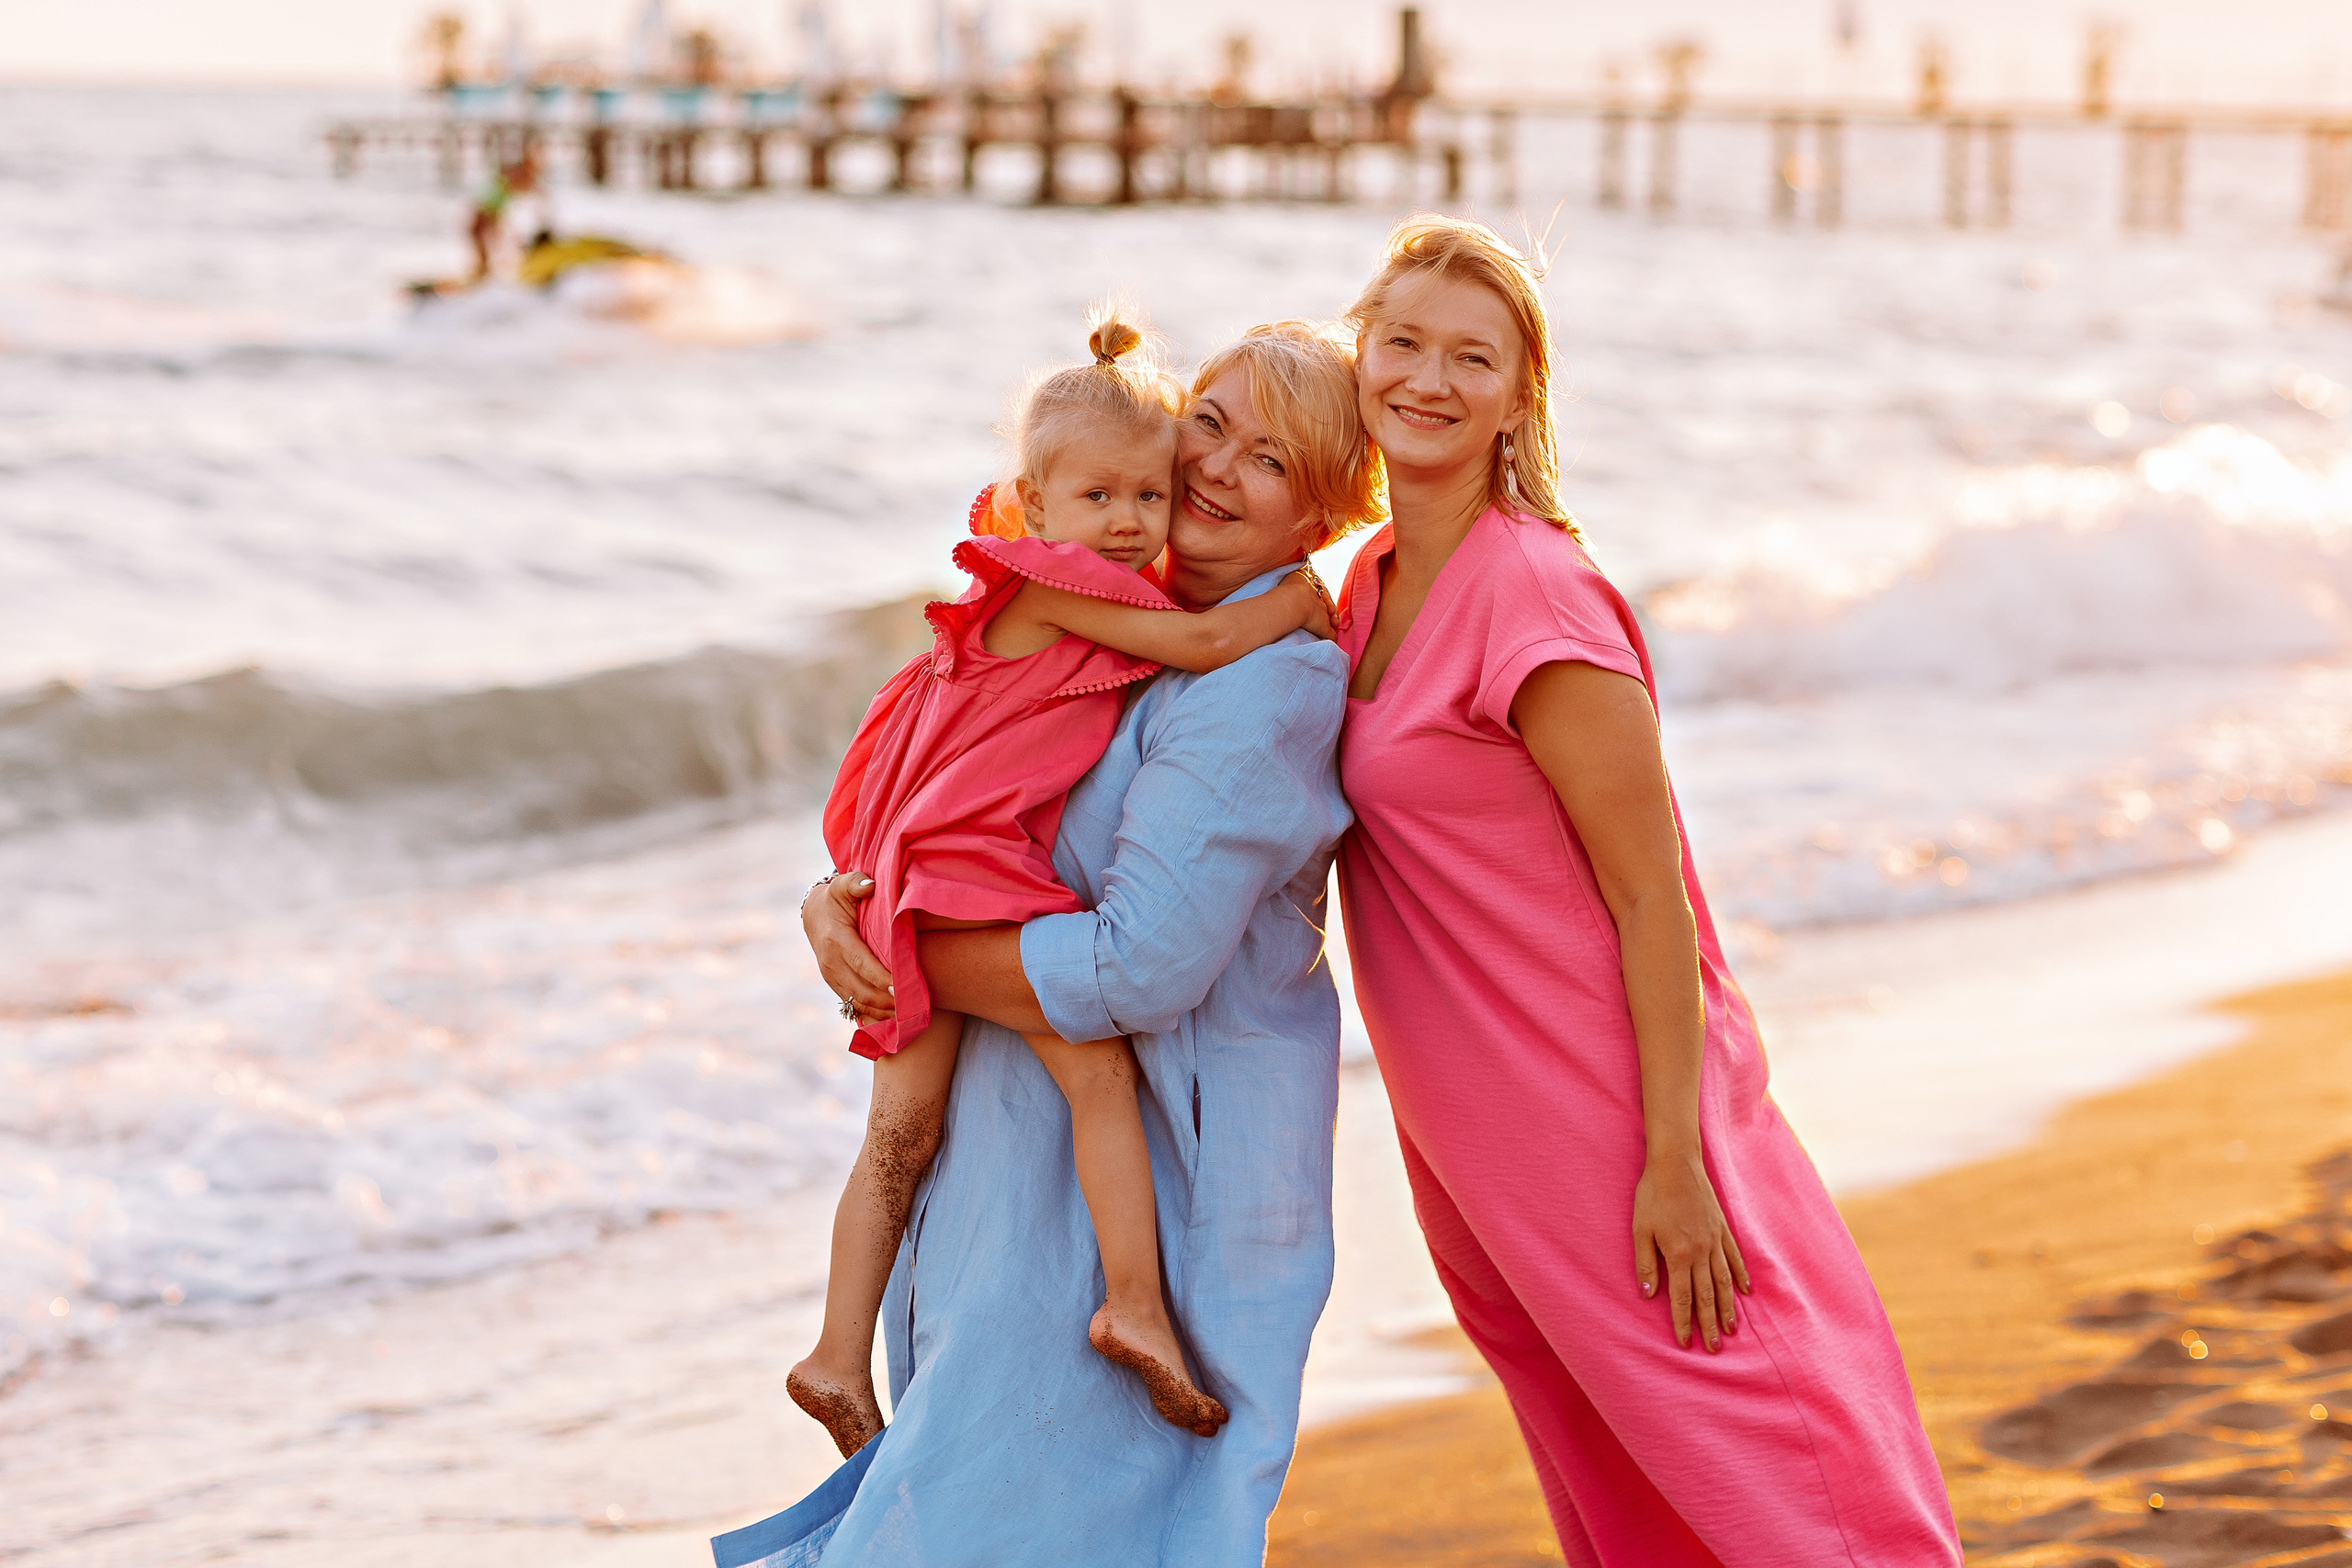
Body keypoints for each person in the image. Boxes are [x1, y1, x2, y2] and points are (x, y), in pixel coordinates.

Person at [1330, 213, 1962, 1563]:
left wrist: (1676, 1160)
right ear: (1359, 355)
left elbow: (1654, 899)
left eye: (1472, 357)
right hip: (1470, 1124)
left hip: (1606, 1108)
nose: (1428, 381)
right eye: (1403, 343)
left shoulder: (1540, 599)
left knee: (1766, 1449)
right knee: (1607, 1455)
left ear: (1519, 393)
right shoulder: (1368, 579)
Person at [722, 321, 1379, 1568]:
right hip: (1019, 1202)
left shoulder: (1263, 679)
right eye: (1213, 425)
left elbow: (1137, 969)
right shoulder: (1109, 624)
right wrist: (842, 891)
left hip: (1157, 1203)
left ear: (1325, 521)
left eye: (1272, 461)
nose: (1213, 469)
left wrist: (897, 938)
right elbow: (939, 771)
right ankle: (838, 1348)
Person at [466, 150, 539, 282]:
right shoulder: (503, 187)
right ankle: (483, 272)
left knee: (488, 244)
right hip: (484, 217)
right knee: (486, 245)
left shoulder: (503, 187)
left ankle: (484, 272)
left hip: (485, 216)